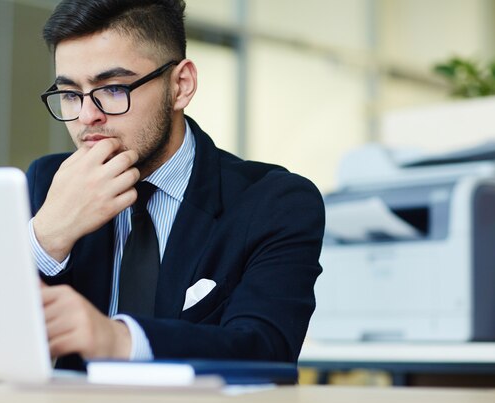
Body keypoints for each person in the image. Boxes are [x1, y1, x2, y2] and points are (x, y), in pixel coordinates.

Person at [27, 0, 325, 371]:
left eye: (114, 88)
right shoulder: (47, 185)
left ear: (181, 85)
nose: (88, 116)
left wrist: (116, 339)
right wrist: (46, 238)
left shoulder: (274, 201)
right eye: (71, 94)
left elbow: (266, 350)